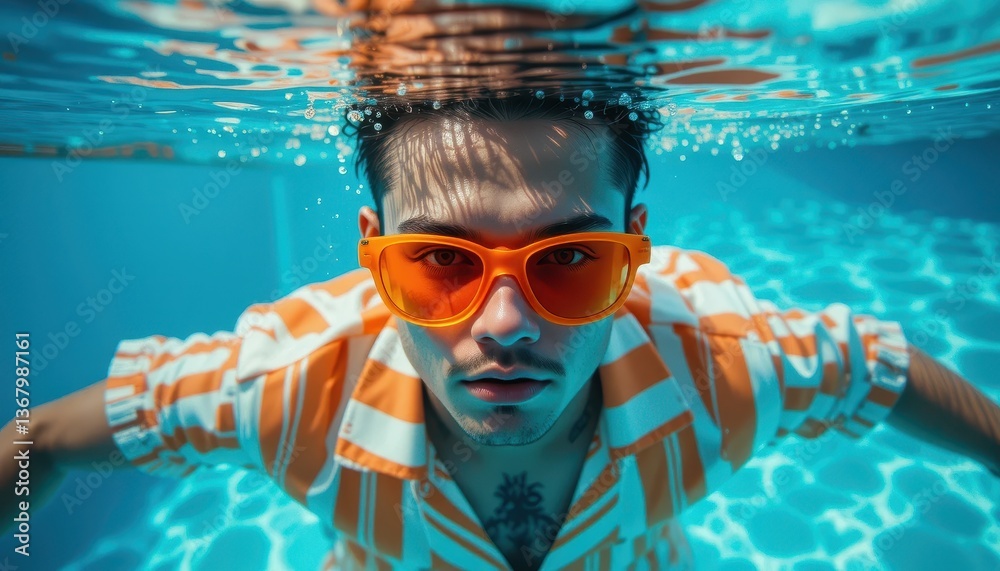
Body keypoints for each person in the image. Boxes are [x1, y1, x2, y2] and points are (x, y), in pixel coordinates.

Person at [3, 95, 999, 571]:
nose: (506, 325)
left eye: (569, 258)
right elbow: (38, 442)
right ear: (372, 255)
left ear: (633, 251)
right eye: (440, 259)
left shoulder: (723, 364)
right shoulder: (286, 383)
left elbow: (881, 367)